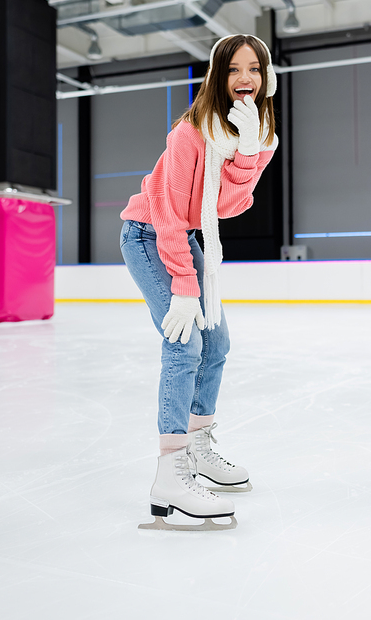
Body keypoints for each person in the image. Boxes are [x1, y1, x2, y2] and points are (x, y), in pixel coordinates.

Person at [120, 34, 278, 529]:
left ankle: (200, 446)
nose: (244, 79)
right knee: (184, 343)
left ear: (266, 76)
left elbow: (228, 206)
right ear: (218, 76)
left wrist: (247, 154)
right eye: (233, 69)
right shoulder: (189, 132)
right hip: (148, 234)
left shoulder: (260, 135)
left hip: (183, 236)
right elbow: (167, 209)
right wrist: (185, 283)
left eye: (253, 69)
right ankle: (171, 471)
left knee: (218, 342)